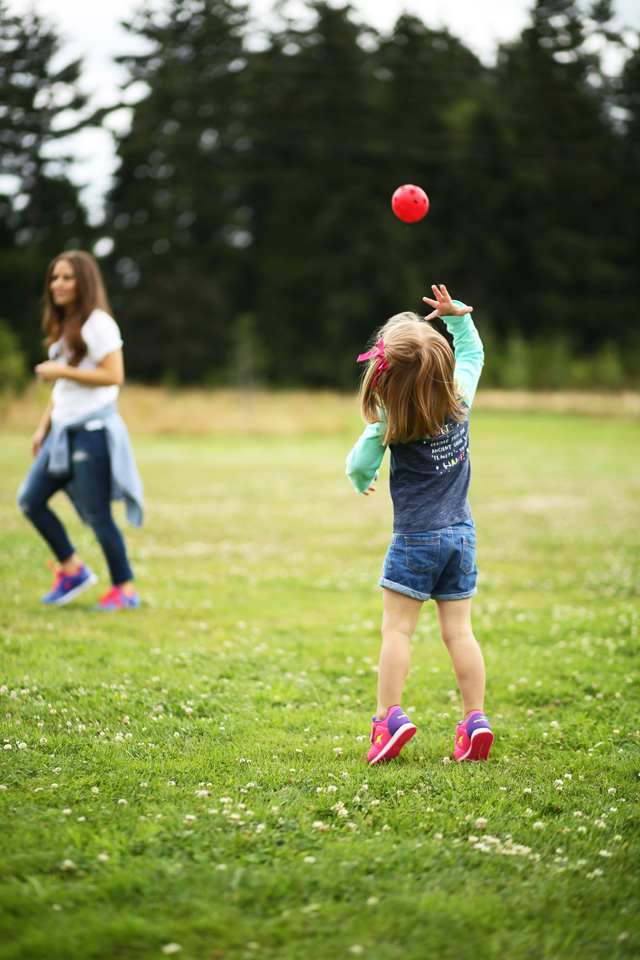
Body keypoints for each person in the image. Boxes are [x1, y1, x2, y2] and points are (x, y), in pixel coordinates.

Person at [346, 283, 493, 765]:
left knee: (398, 632)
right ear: (444, 370)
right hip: (462, 536)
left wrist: (363, 479)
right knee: (460, 634)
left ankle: (388, 716)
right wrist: (457, 317)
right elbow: (472, 349)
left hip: (415, 540)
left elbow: (357, 463)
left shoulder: (390, 419)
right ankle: (475, 721)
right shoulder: (461, 398)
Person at [17, 250, 143, 611]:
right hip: (62, 432)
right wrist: (44, 426)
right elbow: (64, 391)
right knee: (30, 500)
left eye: (67, 277)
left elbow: (113, 376)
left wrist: (61, 371)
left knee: (97, 515)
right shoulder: (65, 324)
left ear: (84, 282)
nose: (57, 284)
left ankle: (125, 590)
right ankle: (72, 570)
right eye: (54, 277)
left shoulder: (99, 323)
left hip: (91, 432)